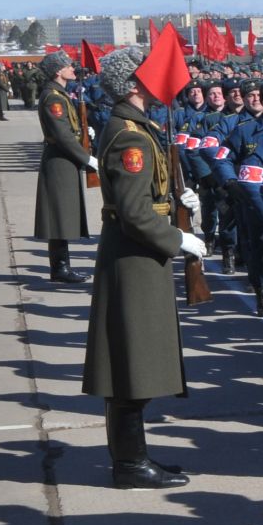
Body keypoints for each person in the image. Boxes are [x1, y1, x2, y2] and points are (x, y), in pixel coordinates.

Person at [81, 48, 206, 489]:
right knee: (133, 362)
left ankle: (133, 458)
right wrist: (177, 238)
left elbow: (146, 198)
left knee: (137, 359)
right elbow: (134, 213)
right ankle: (130, 464)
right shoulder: (131, 136)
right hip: (135, 256)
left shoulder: (137, 127)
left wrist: (179, 204)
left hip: (137, 253)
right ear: (133, 84)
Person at [33, 52, 96, 285]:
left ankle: (61, 266)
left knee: (62, 214)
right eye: (68, 66)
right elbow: (61, 135)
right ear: (58, 71)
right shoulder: (54, 98)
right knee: (59, 215)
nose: (73, 68)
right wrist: (87, 158)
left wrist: (82, 133)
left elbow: (67, 130)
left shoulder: (58, 95)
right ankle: (60, 267)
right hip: (60, 160)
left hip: (64, 159)